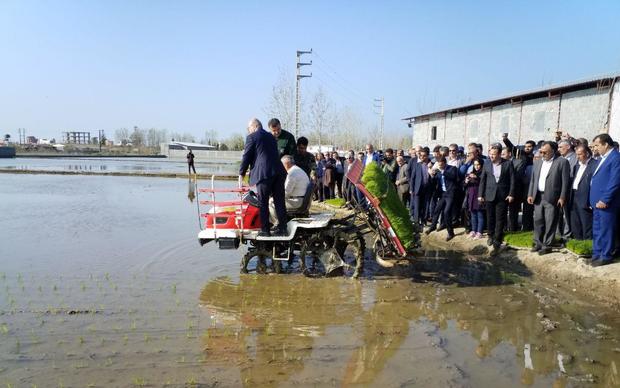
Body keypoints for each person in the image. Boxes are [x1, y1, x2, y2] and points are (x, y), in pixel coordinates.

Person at [239, 118, 288, 237]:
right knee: (280, 201)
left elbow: (247, 156)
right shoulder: (271, 136)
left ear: (254, 126)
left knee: (263, 202)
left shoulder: (252, 137)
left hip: (264, 174)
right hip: (278, 171)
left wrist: (241, 173)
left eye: (248, 128)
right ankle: (283, 228)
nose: (248, 131)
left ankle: (265, 230)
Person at [527, 141, 570, 256]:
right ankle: (538, 243)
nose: (542, 154)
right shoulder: (537, 162)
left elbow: (566, 182)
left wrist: (562, 197)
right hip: (538, 196)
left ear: (553, 151)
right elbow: (533, 180)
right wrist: (530, 194)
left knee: (550, 222)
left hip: (552, 197)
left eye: (544, 152)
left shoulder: (562, 162)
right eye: (541, 151)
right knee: (538, 221)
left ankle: (547, 245)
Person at [478, 144, 515, 253]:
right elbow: (483, 180)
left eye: (494, 154)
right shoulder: (487, 163)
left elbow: (512, 180)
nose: (491, 156)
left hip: (502, 194)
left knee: (500, 217)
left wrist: (511, 194)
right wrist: (480, 195)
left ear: (499, 154)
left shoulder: (508, 164)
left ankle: (497, 238)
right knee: (490, 216)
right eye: (490, 154)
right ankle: (490, 235)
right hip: (489, 194)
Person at [589, 134, 620, 266]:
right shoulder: (602, 158)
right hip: (596, 202)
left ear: (606, 144)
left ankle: (606, 256)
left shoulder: (615, 158)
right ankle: (597, 254)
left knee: (606, 230)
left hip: (607, 203)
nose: (595, 148)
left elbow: (615, 181)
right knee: (597, 230)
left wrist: (605, 199)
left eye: (597, 145)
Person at [425, 156, 458, 241]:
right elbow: (434, 182)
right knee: (437, 210)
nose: (440, 167)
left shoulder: (452, 168)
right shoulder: (438, 171)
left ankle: (450, 233)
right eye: (439, 165)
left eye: (441, 165)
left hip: (450, 194)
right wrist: (432, 176)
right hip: (443, 194)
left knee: (447, 212)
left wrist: (442, 171)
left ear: (445, 163)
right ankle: (432, 227)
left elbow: (453, 177)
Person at [269, 156, 310, 224]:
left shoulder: (292, 173)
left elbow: (286, 193)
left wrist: (274, 196)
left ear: (287, 164)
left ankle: (277, 224)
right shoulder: (298, 170)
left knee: (270, 202)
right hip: (301, 199)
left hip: (296, 202)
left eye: (281, 164)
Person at [570, 145, 598, 240]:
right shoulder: (577, 165)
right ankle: (578, 243)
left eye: (580, 154)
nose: (577, 157)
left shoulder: (595, 164)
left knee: (586, 224)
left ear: (587, 153)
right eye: (576, 154)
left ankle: (587, 245)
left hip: (586, 198)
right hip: (574, 196)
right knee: (575, 223)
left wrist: (591, 200)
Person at [465, 158, 485, 239]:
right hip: (471, 196)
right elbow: (464, 185)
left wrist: (476, 177)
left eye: (478, 165)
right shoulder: (470, 173)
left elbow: (482, 182)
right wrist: (466, 181)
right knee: (473, 215)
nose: (476, 166)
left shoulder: (483, 173)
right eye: (475, 165)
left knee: (480, 214)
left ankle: (479, 232)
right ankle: (473, 230)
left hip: (479, 196)